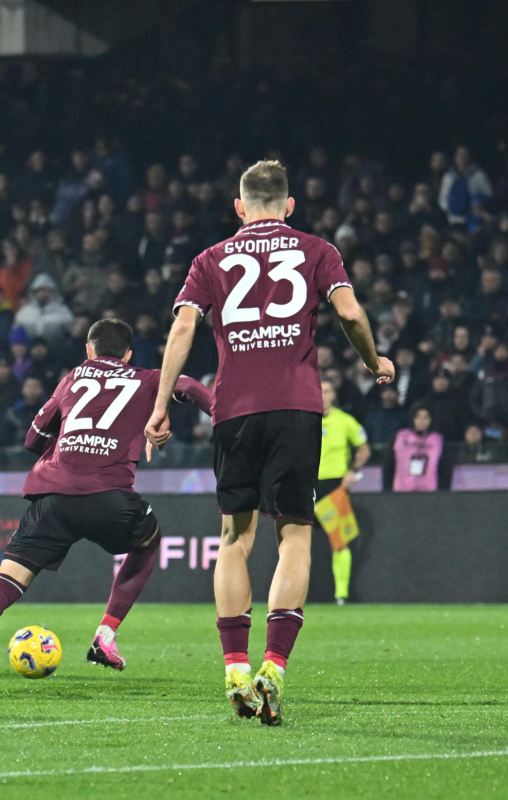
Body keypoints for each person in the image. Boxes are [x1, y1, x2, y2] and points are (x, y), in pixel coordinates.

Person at [146, 160, 394, 726]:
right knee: (295, 536)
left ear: (239, 207)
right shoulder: (317, 249)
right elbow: (350, 312)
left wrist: (161, 406)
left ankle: (235, 667)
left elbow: (183, 328)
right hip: (296, 408)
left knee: (234, 536)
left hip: (233, 409)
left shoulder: (209, 259)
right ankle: (273, 667)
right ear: (288, 206)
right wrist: (373, 361)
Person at [0, 319, 211, 698]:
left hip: (52, 496)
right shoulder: (147, 377)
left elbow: (32, 439)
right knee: (148, 542)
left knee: (4, 585)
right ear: (128, 354)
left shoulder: (72, 378)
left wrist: (68, 445)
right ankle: (105, 635)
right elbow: (186, 385)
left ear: (89, 350)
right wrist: (219, 412)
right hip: (109, 496)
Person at [315, 379, 370, 605]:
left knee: (339, 541)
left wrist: (353, 471)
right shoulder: (304, 419)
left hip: (334, 486)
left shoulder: (345, 421)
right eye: (319, 390)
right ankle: (294, 592)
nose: (323, 394)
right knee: (296, 540)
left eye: (327, 391)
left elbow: (364, 449)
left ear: (333, 395)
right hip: (307, 485)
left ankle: (341, 594)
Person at [387, 406, 446, 492]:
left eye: (426, 417)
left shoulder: (437, 439)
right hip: (401, 491)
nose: (421, 421)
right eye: (418, 417)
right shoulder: (401, 436)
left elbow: (444, 467)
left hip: (429, 492)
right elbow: (389, 464)